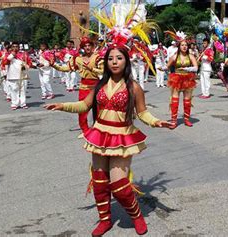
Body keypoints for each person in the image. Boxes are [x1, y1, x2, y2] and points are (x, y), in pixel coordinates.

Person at [45, 46, 171, 236]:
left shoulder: (134, 86)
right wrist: (62, 105)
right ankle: (105, 220)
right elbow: (84, 105)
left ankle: (136, 215)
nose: (114, 62)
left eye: (119, 58)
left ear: (126, 61)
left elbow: (142, 112)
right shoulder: (99, 85)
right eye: (110, 58)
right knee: (99, 183)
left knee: (119, 186)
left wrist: (156, 122)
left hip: (122, 137)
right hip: (100, 134)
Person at [51, 37, 104, 135]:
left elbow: (103, 71)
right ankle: (85, 130)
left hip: (96, 87)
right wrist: (54, 65)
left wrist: (92, 69)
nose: (87, 48)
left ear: (93, 47)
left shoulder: (98, 57)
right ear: (83, 47)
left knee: (98, 111)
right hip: (83, 88)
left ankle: (97, 130)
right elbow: (67, 68)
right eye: (85, 46)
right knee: (82, 111)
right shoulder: (78, 59)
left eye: (89, 45)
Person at [166, 31, 199, 128]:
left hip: (188, 79)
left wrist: (186, 69)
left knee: (187, 100)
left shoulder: (191, 56)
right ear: (179, 46)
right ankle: (173, 121)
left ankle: (186, 119)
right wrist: (162, 68)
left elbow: (196, 68)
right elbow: (167, 66)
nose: (184, 47)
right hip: (176, 78)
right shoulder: (174, 56)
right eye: (182, 45)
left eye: (185, 45)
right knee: (175, 100)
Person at [2, 41, 33, 110]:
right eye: (13, 47)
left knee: (23, 90)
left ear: (19, 47)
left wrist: (26, 66)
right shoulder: (8, 54)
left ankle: (23, 103)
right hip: (12, 76)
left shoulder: (24, 54)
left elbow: (29, 62)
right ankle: (14, 104)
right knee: (13, 90)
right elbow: (4, 63)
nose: (15, 48)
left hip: (23, 75)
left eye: (17, 46)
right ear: (11, 47)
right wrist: (12, 55)